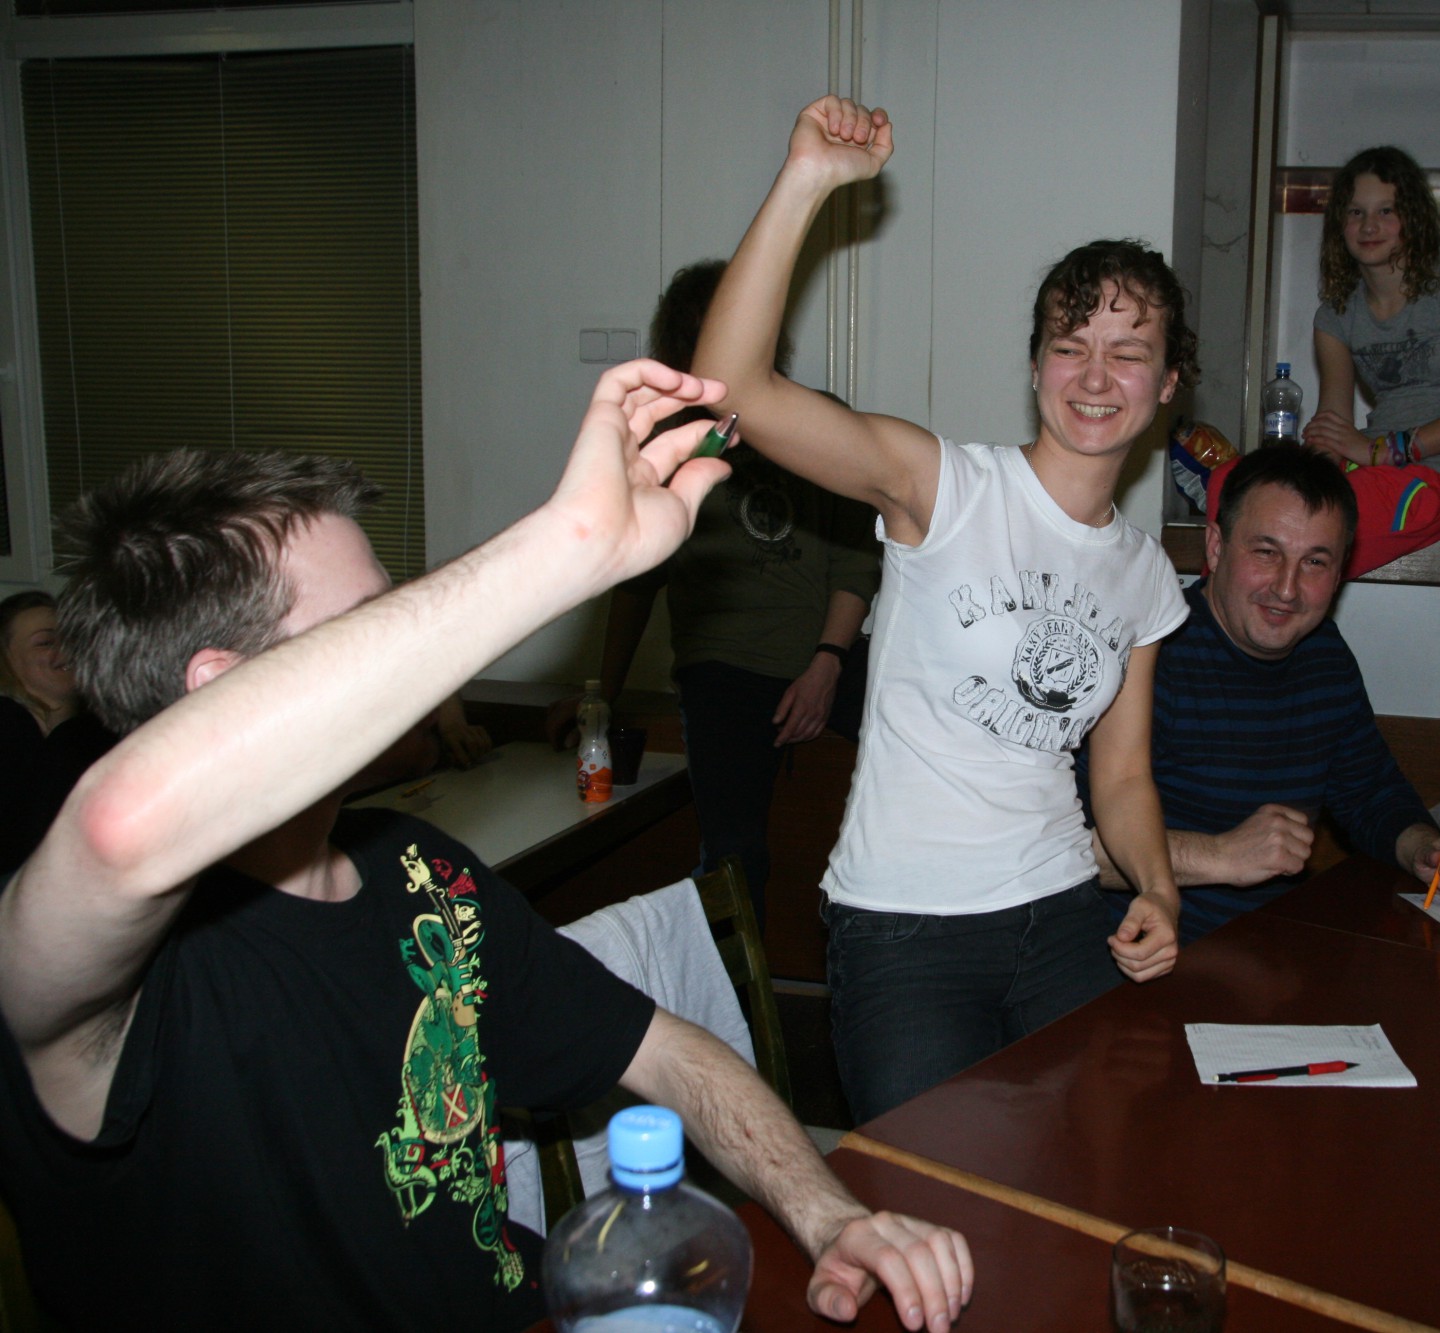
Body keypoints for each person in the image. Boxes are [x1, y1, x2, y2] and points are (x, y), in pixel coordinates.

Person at [0, 365, 970, 1331]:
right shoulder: (104, 979)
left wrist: (829, 1215)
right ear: (221, 689)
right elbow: (118, 829)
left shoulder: (416, 869)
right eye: (372, 626)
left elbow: (667, 1051)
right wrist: (568, 548)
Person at [695, 98, 1190, 1123]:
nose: (1096, 375)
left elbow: (1121, 775)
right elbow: (731, 386)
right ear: (1035, 365)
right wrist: (805, 179)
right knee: (932, 1189)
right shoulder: (942, 487)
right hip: (904, 929)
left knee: (1098, 1165)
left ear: (1167, 384)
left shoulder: (1144, 572)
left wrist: (1156, 885)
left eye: (1129, 350)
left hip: (1063, 914)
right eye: (1070, 344)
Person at [548, 259, 880, 925]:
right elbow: (635, 584)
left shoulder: (818, 418)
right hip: (723, 674)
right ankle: (728, 987)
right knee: (734, 858)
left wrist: (827, 661)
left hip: (829, 655)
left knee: (939, 742)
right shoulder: (666, 441)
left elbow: (856, 558)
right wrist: (600, 695)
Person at [1087, 446, 1440, 943]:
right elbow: (1067, 852)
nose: (1286, 588)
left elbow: (1368, 794)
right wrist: (1220, 855)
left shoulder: (1324, 653)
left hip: (1281, 950)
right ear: (1215, 547)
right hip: (1149, 956)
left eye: (1315, 562)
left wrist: (1428, 851)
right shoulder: (1147, 655)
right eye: (1266, 553)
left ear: (1340, 573)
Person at [1293, 144, 1440, 577]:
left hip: (1432, 476)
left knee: (1320, 528)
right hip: (1367, 465)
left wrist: (1382, 450)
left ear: (1412, 218)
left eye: (1386, 211)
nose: (1369, 225)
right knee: (1240, 487)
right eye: (1355, 212)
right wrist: (1305, 478)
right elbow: (1334, 422)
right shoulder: (1335, 314)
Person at [0, 591, 115, 874]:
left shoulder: (102, 726)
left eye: (72, 637)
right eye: (45, 642)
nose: (66, 649)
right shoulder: (9, 723)